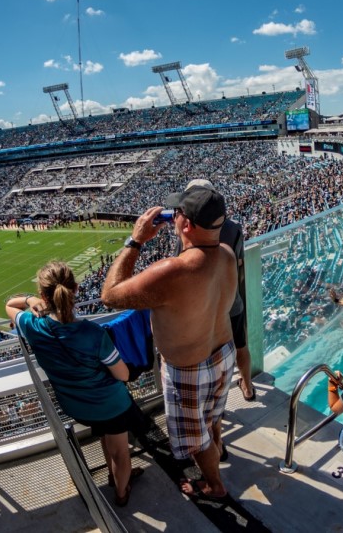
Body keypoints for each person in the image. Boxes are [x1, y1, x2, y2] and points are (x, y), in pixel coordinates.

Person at [101, 187, 236, 501]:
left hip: (189, 368)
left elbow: (109, 295)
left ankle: (214, 485)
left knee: (197, 441)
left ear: (185, 224)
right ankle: (218, 453)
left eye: (176, 214)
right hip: (223, 353)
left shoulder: (173, 270)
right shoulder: (226, 253)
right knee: (212, 419)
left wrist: (135, 240)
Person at [5, 262, 148, 507]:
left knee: (107, 435)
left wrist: (29, 301)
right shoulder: (93, 333)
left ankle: (115, 477)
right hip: (109, 405)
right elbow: (123, 375)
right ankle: (122, 492)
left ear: (43, 295)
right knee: (120, 453)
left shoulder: (32, 326)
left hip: (75, 406)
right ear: (77, 289)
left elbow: (9, 304)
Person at [168, 179, 254, 402]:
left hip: (202, 305)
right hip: (231, 299)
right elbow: (238, 263)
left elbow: (181, 263)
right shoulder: (233, 228)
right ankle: (248, 386)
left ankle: (215, 401)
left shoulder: (189, 229)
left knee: (209, 354)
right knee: (241, 345)